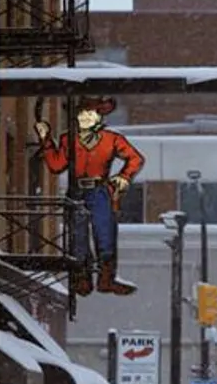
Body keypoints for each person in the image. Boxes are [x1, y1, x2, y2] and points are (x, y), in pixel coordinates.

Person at [35, 95, 144, 297]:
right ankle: (82, 277)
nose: (86, 117)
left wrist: (124, 176)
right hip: (76, 191)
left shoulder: (112, 139)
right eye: (82, 113)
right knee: (78, 236)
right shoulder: (68, 139)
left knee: (104, 232)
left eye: (91, 113)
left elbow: (135, 158)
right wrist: (46, 139)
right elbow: (56, 165)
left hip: (100, 190)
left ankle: (106, 278)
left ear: (99, 116)